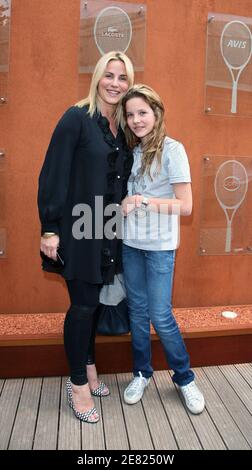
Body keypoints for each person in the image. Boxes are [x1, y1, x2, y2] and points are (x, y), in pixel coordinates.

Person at [38, 51, 134, 423]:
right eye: (108, 75)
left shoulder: (121, 127)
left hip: (108, 229)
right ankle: (77, 384)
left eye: (122, 77)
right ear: (96, 78)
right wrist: (50, 227)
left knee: (96, 303)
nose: (115, 83)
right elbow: (53, 174)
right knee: (82, 306)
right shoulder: (76, 118)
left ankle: (90, 366)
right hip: (79, 229)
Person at [120, 84, 205, 414]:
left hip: (159, 248)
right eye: (130, 114)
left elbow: (185, 207)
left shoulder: (173, 150)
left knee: (160, 315)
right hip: (130, 244)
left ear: (156, 113)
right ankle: (142, 373)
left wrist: (141, 200)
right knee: (138, 315)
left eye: (142, 112)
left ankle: (184, 378)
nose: (136, 120)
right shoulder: (131, 150)